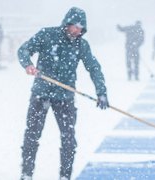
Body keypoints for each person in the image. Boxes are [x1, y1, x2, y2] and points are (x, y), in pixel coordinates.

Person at [18, 7, 109, 180]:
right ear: (67, 23)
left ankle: (65, 176)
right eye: (75, 26)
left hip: (65, 98)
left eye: (81, 28)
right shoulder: (46, 35)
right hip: (41, 94)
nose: (77, 31)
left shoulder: (81, 45)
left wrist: (101, 92)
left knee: (69, 140)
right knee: (32, 135)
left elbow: (94, 68)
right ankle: (26, 175)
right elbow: (23, 50)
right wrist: (28, 64)